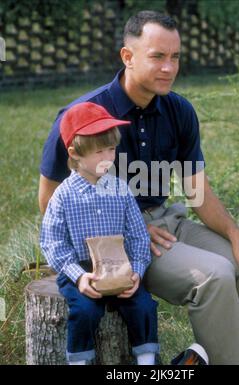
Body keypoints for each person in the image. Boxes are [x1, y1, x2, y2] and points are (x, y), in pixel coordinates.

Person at [39, 11, 239, 364]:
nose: (169, 67)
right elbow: (49, 200)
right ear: (127, 56)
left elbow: (198, 193)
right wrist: (123, 231)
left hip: (169, 223)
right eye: (157, 56)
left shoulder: (179, 110)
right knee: (214, 277)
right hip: (119, 242)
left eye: (175, 57)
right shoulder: (83, 116)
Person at [40, 102, 160, 365]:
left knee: (143, 306)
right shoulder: (63, 195)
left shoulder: (120, 189)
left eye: (112, 149)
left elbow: (139, 235)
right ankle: (79, 361)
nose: (107, 157)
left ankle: (147, 361)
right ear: (75, 154)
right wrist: (79, 276)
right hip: (82, 269)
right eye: (98, 151)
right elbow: (52, 242)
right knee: (84, 311)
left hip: (119, 266)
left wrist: (137, 270)